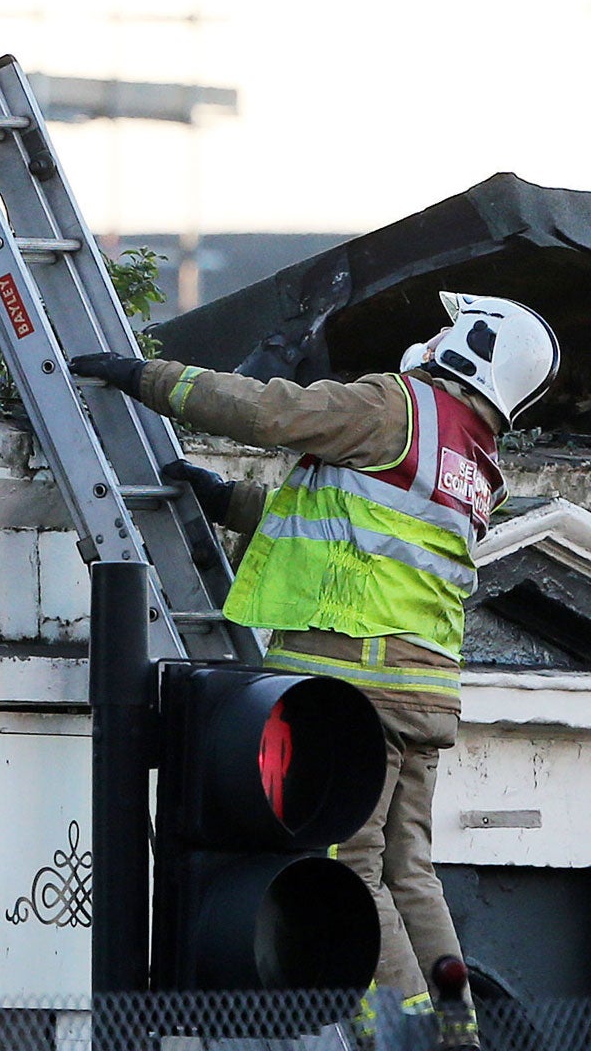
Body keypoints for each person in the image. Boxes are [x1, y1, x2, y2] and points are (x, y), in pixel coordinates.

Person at [74, 292, 562, 1049]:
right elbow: (355, 527)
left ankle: (406, 1042)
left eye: (447, 329)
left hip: (357, 685)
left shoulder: (396, 406)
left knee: (350, 873)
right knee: (413, 874)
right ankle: (458, 1030)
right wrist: (230, 500)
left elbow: (270, 412)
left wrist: (145, 376)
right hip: (425, 687)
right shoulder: (474, 458)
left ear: (471, 346)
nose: (431, 337)